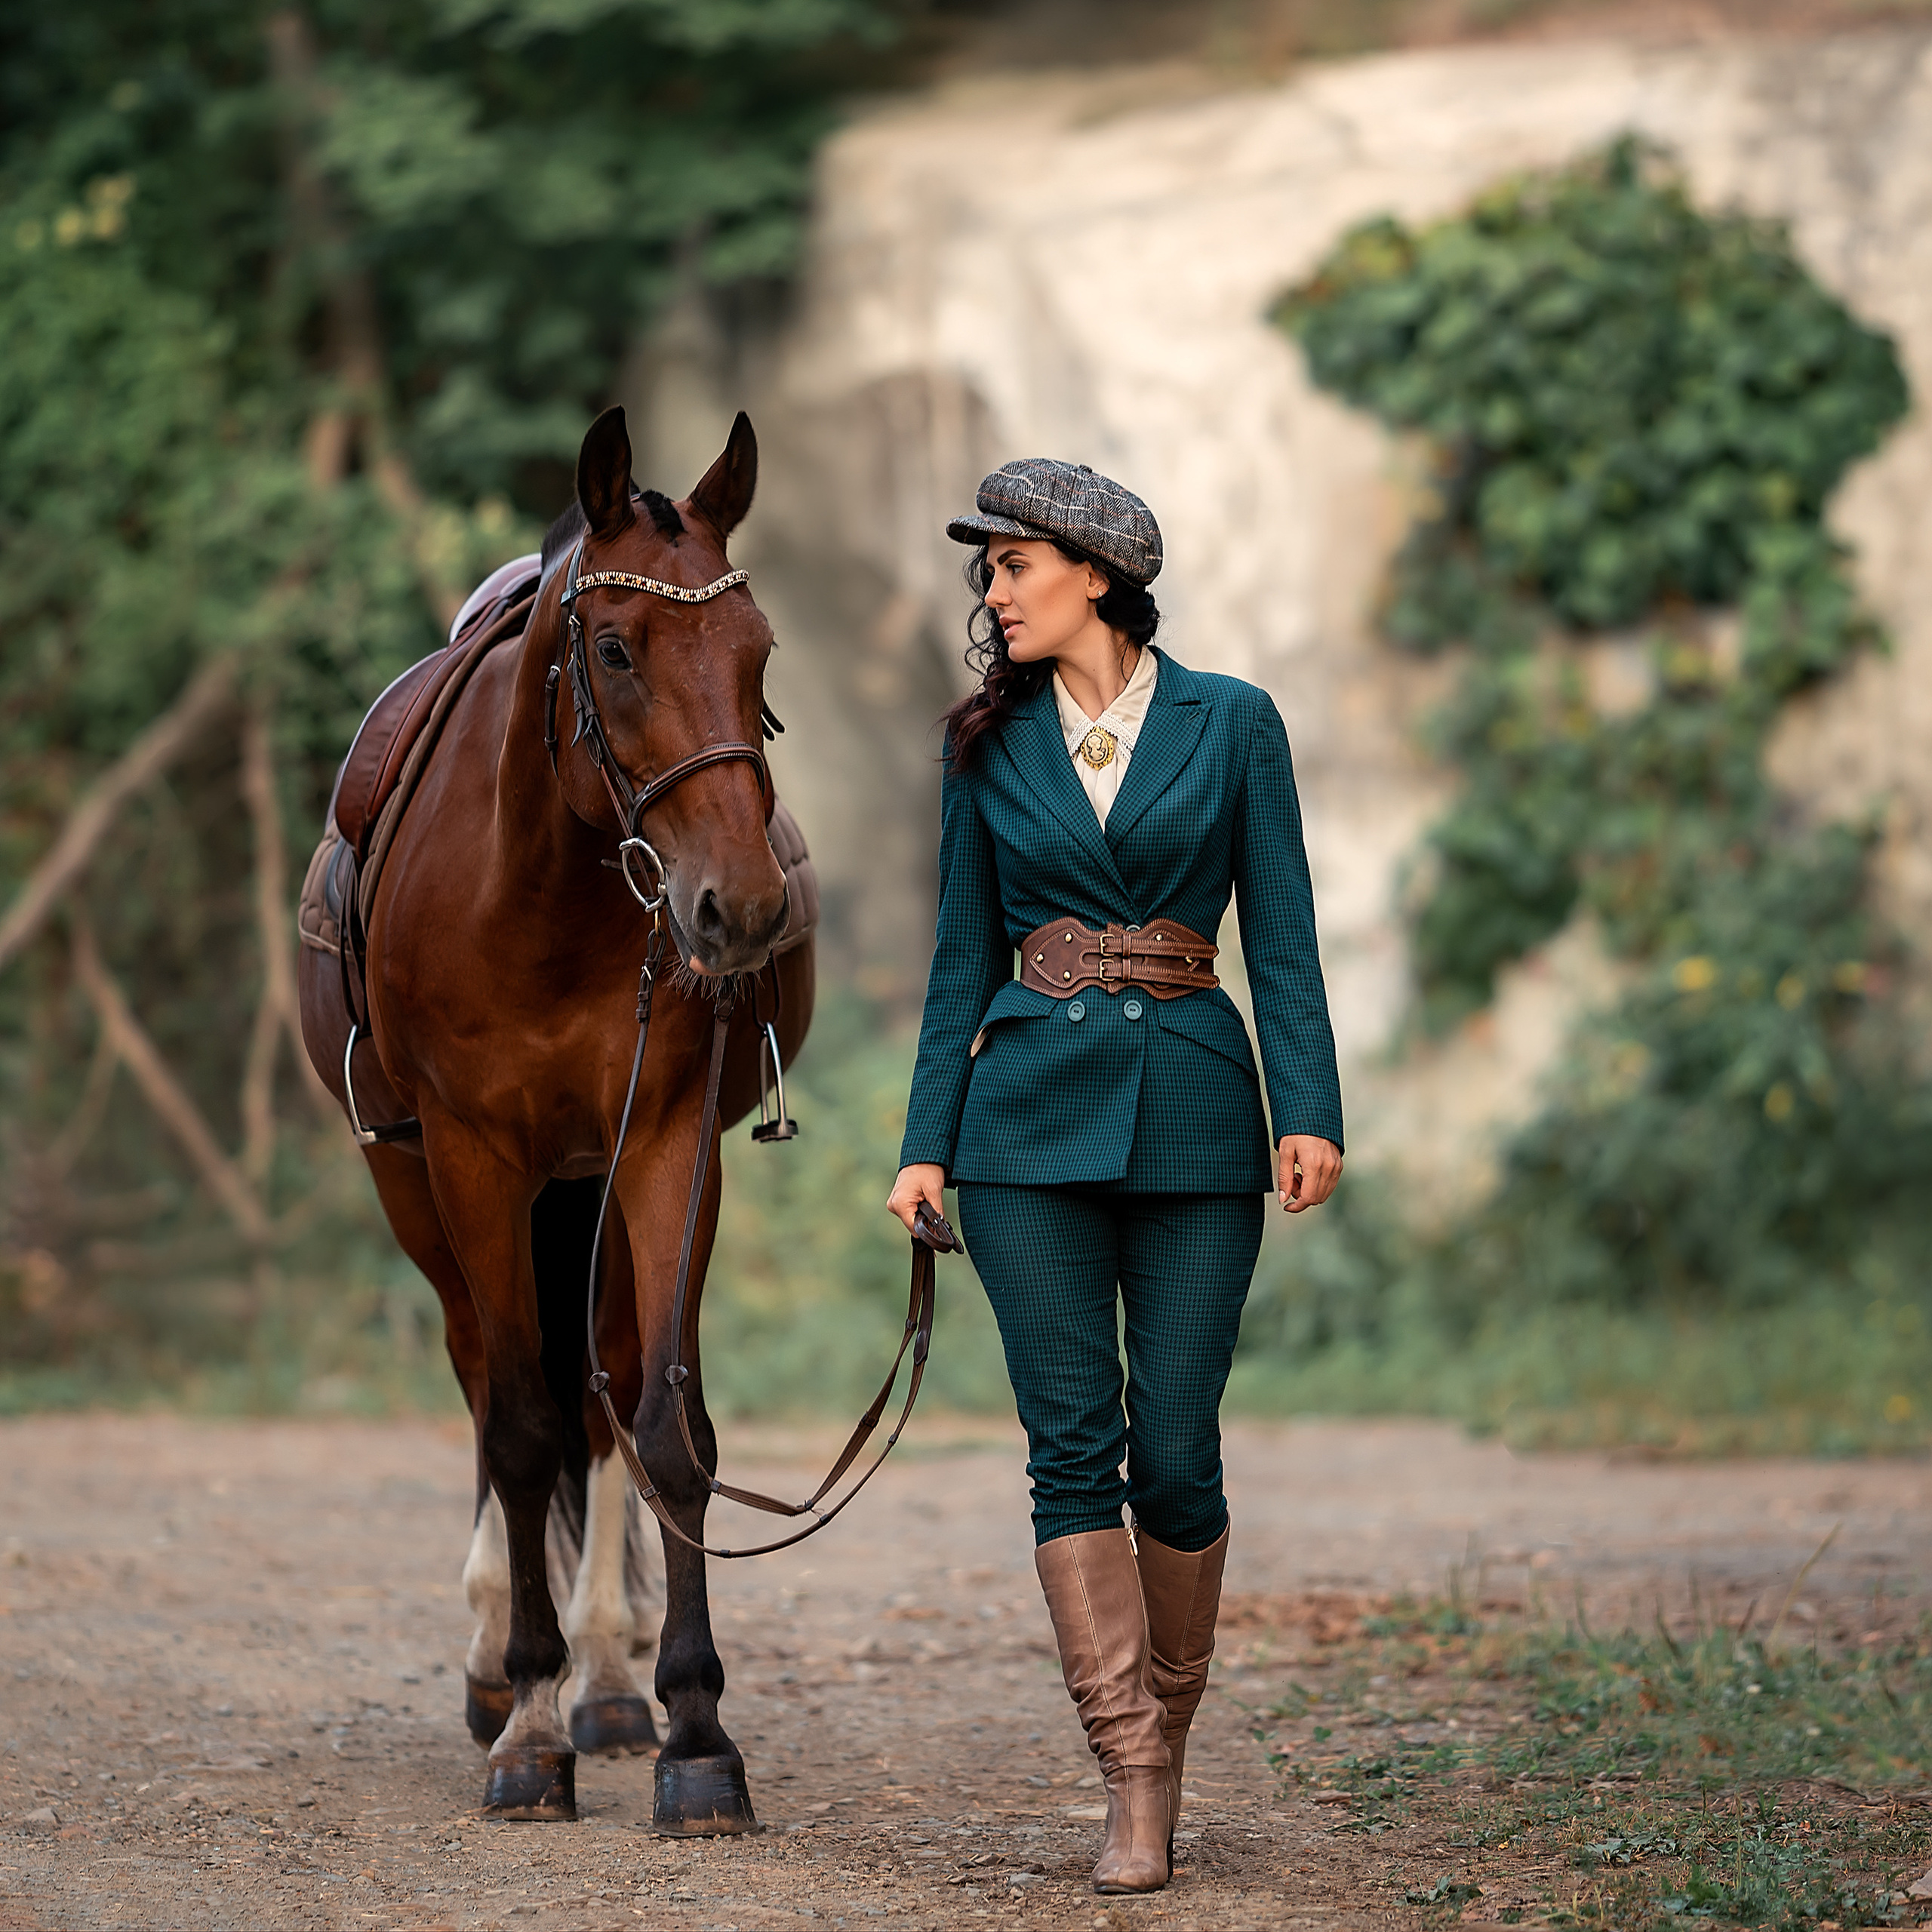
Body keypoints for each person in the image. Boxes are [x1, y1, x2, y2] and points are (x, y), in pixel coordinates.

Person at [885, 458, 1345, 1894]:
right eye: (988, 569)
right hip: (1022, 1134)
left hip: (1201, 1117)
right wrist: (924, 1143)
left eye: (1013, 564)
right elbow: (961, 956)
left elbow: (1282, 931)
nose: (993, 590)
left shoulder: (1235, 723)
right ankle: (1131, 1768)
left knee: (1179, 1454)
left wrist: (1309, 1108)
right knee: (1071, 1451)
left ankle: (1171, 1729)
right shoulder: (983, 745)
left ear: (1095, 574)